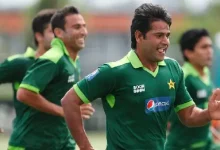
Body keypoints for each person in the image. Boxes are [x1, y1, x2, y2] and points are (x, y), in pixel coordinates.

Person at [61, 3, 220, 150]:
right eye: (159, 35)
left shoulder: (173, 69)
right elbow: (69, 101)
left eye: (167, 35)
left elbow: (189, 115)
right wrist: (86, 147)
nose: (165, 42)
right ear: (138, 36)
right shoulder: (114, 72)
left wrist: (208, 113)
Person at [13, 6, 94, 150]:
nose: (83, 32)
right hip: (34, 144)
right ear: (59, 32)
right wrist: (64, 111)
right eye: (77, 27)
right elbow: (24, 93)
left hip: (61, 142)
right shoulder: (53, 58)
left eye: (84, 26)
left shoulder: (72, 60)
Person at [0, 9, 54, 149]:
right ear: (39, 36)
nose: (58, 35)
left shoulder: (69, 65)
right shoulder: (20, 63)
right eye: (52, 31)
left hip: (61, 145)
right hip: (25, 144)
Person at [165, 29, 214, 150]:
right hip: (183, 146)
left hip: (206, 143)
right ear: (188, 53)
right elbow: (166, 115)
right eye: (204, 47)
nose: (209, 51)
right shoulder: (183, 78)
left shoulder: (205, 72)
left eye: (210, 46)